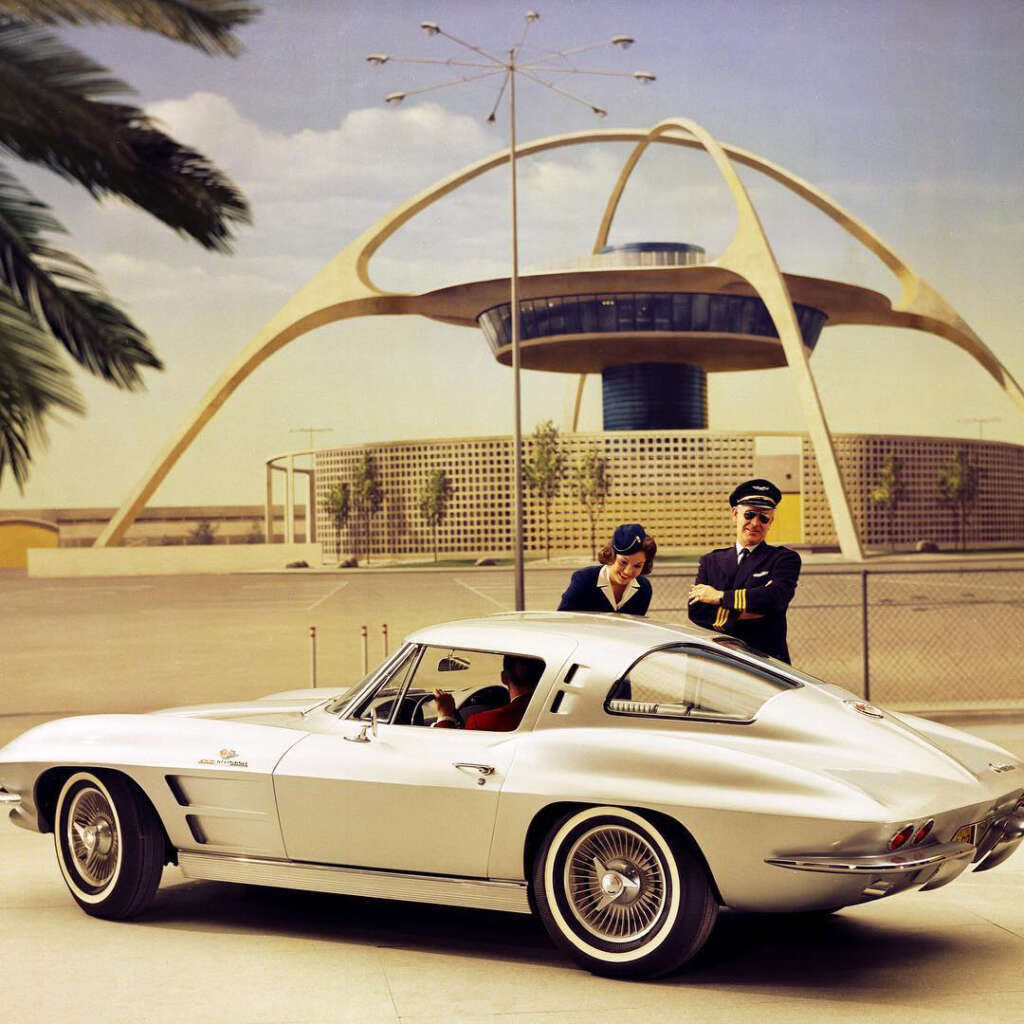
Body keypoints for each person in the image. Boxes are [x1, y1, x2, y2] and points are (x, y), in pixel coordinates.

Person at [687, 479, 801, 662]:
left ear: (771, 521)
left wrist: (720, 597)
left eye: (763, 517)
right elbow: (697, 611)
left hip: (766, 662)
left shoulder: (784, 558)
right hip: (719, 661)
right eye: (749, 514)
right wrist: (755, 608)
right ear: (735, 514)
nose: (755, 523)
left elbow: (775, 598)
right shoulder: (711, 561)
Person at [557, 523, 656, 616]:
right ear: (611, 556)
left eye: (637, 566)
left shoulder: (643, 588)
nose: (628, 571)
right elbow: (565, 621)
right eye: (623, 562)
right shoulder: (584, 580)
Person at [432, 654, 545, 731]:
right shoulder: (554, 714)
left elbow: (450, 754)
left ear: (504, 678)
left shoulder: (480, 723)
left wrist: (445, 717)